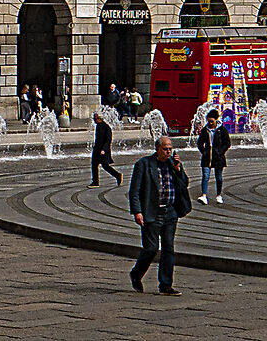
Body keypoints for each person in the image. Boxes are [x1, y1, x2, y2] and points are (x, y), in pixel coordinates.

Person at [127, 135, 189, 295]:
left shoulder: (173, 164)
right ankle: (136, 274)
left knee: (168, 248)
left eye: (170, 149)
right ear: (157, 149)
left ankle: (166, 285)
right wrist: (137, 211)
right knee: (151, 248)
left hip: (170, 212)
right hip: (152, 211)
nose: (168, 152)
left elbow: (184, 184)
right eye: (165, 149)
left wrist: (178, 170)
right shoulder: (144, 164)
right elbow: (134, 190)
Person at [193, 108, 230, 206]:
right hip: (207, 157)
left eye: (212, 121)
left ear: (216, 120)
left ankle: (218, 195)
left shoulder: (222, 130)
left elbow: (227, 143)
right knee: (205, 176)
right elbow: (200, 143)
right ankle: (204, 195)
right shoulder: (205, 130)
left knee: (219, 177)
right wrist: (204, 152)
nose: (210, 123)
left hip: (218, 157)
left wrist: (220, 152)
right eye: (208, 121)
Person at [91, 111, 121, 187]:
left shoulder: (106, 127)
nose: (94, 120)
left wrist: (104, 149)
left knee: (105, 166)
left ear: (100, 118)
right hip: (97, 149)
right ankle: (95, 182)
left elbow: (108, 140)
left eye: (95, 118)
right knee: (94, 165)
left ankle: (117, 175)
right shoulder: (98, 126)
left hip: (103, 150)